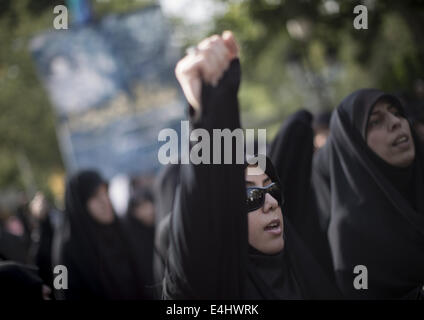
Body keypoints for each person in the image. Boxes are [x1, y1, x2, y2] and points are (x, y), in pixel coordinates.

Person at [161, 31, 340, 299]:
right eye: (251, 196)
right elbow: (201, 210)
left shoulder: (305, 267)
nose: (270, 203)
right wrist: (208, 108)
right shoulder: (210, 287)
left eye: (272, 190)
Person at [312, 89, 424, 299]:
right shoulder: (350, 234)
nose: (395, 122)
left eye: (397, 112)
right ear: (355, 146)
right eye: (375, 121)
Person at [56, 170, 147, 299]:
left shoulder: (119, 230)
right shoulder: (64, 249)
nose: (105, 201)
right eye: (95, 196)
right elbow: (61, 290)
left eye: (105, 193)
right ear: (80, 204)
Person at [123, 188, 155, 299]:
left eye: (149, 204)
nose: (148, 210)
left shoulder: (159, 227)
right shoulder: (130, 236)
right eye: (141, 207)